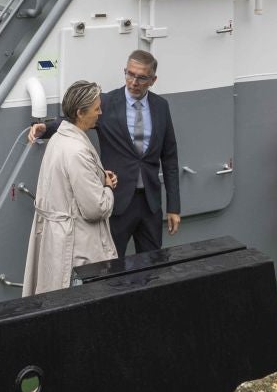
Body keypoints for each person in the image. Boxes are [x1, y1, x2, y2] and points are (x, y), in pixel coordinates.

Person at [28, 50, 182, 256]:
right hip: (116, 202)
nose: (134, 81)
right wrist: (44, 128)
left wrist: (174, 207)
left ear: (153, 80)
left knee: (152, 266)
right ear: (124, 72)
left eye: (141, 77)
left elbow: (170, 158)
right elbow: (75, 117)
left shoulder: (161, 107)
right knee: (110, 268)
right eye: (130, 74)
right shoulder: (106, 103)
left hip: (150, 204)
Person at [22, 80, 119, 294]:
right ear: (80, 113)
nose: (100, 112)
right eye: (96, 108)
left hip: (59, 242)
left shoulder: (58, 139)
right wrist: (108, 188)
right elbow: (96, 208)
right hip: (80, 250)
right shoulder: (77, 151)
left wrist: (99, 179)